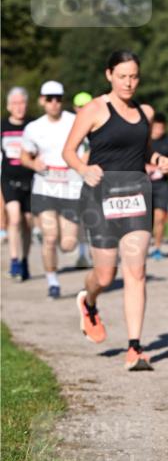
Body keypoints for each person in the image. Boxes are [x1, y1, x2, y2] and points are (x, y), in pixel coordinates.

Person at [63, 51, 168, 372]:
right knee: (104, 275)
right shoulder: (94, 109)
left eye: (134, 76)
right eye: (123, 76)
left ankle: (134, 348)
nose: (129, 82)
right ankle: (89, 300)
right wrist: (84, 169)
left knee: (136, 272)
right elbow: (69, 151)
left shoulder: (146, 112)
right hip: (100, 198)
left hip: (137, 197)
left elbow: (145, 152)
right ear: (109, 75)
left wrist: (160, 161)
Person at [20, 82, 82, 299]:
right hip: (45, 186)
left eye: (58, 98)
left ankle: (65, 250)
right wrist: (33, 164)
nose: (54, 102)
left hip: (71, 187)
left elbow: (90, 149)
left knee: (68, 243)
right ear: (41, 100)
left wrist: (83, 164)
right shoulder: (33, 128)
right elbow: (24, 156)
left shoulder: (75, 121)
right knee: (50, 237)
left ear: (62, 100)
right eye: (49, 98)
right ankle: (52, 282)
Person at [2, 86, 34, 280]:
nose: (19, 107)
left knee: (28, 223)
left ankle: (24, 260)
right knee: (14, 218)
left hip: (31, 180)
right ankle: (14, 259)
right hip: (9, 179)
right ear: (8, 106)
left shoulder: (33, 126)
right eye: (15, 103)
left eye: (22, 102)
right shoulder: (2, 126)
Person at [147, 112, 168, 260]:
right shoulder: (143, 141)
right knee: (145, 220)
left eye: (161, 128)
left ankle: (157, 248)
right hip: (142, 184)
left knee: (160, 218)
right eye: (156, 127)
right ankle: (142, 244)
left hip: (161, 185)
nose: (158, 131)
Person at [72, 91, 94, 269]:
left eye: (87, 105)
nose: (83, 109)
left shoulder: (96, 124)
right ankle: (82, 253)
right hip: (73, 178)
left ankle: (95, 251)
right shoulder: (69, 126)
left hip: (92, 178)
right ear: (75, 108)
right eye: (80, 106)